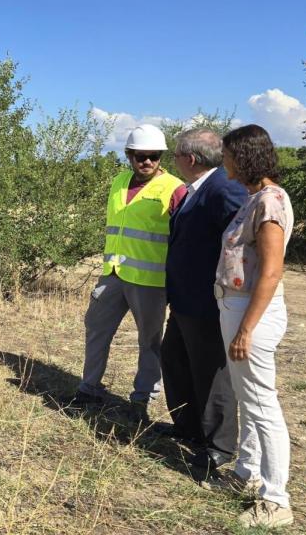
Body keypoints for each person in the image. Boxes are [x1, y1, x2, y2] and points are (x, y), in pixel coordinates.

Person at [73, 124, 186, 418]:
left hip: (149, 280)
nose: (146, 161)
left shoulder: (175, 189)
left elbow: (184, 237)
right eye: (140, 156)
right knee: (95, 329)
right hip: (113, 273)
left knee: (150, 341)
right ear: (129, 155)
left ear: (161, 157)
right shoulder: (119, 182)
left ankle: (142, 399)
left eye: (153, 156)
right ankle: (89, 389)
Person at [216, 124, 295, 528]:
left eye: (228, 154)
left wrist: (246, 328)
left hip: (252, 313)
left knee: (263, 405)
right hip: (239, 309)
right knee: (249, 398)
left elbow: (270, 271)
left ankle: (277, 499)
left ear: (243, 157)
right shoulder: (256, 199)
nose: (224, 161)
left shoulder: (269, 203)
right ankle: (248, 473)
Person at [158, 129, 247, 474]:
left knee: (210, 373)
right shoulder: (199, 190)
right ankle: (188, 427)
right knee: (175, 359)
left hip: (206, 302)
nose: (173, 159)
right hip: (184, 301)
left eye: (176, 153)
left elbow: (244, 237)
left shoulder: (224, 189)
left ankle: (220, 446)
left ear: (190, 159)